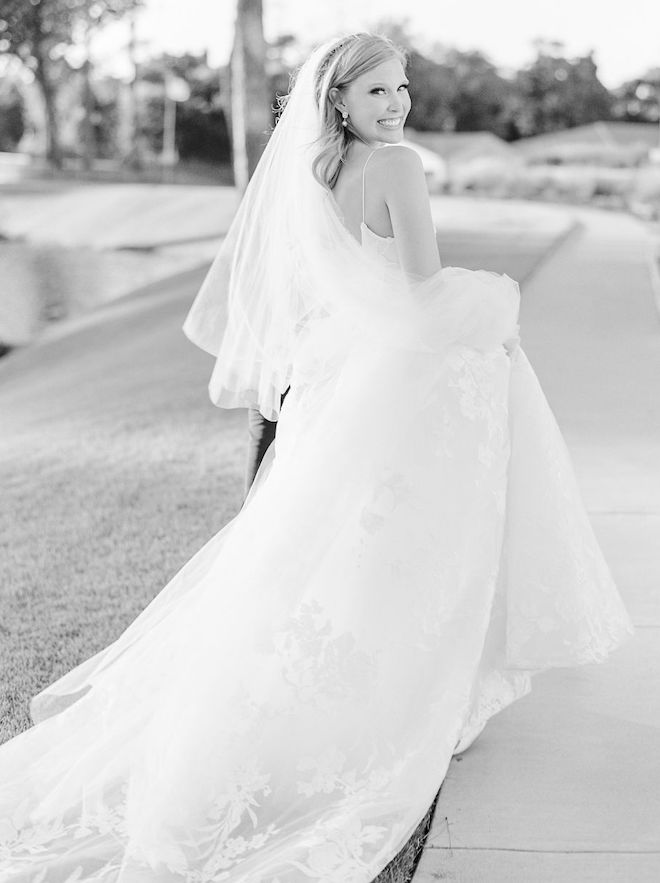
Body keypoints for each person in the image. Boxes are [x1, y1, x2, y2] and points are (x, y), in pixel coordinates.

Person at [0, 33, 634, 883]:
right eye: (377, 93)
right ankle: (407, 701)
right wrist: (499, 307)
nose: (396, 106)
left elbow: (324, 298)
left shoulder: (314, 174)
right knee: (407, 546)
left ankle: (354, 693)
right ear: (337, 99)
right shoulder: (398, 168)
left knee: (327, 554)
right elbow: (425, 293)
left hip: (342, 392)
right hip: (397, 388)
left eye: (402, 89)